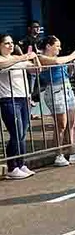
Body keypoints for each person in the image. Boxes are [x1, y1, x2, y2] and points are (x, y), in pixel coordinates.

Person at [37, 36, 75, 167]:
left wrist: (71, 65)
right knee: (61, 125)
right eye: (57, 46)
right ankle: (58, 154)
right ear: (48, 46)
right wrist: (72, 55)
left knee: (71, 124)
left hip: (67, 88)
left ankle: (73, 152)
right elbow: (56, 62)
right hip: (55, 90)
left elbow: (66, 71)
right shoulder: (41, 57)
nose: (59, 48)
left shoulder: (61, 58)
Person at [0, 34, 38, 179]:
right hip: (9, 100)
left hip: (23, 99)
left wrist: (34, 57)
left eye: (11, 43)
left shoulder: (17, 58)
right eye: (6, 43)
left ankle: (21, 163)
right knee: (16, 133)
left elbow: (36, 70)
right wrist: (23, 57)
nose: (10, 45)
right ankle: (12, 167)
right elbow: (3, 65)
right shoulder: (3, 60)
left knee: (22, 134)